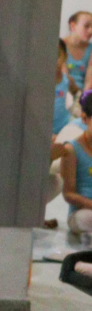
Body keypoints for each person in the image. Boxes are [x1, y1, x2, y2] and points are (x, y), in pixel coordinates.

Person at [62, 94, 92, 237]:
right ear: (85, 118)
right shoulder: (71, 149)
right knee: (88, 218)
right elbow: (68, 194)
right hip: (80, 214)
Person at [64, 11, 92, 95]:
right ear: (73, 26)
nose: (91, 31)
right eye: (86, 26)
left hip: (83, 97)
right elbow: (64, 78)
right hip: (63, 93)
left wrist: (83, 99)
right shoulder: (60, 46)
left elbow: (89, 81)